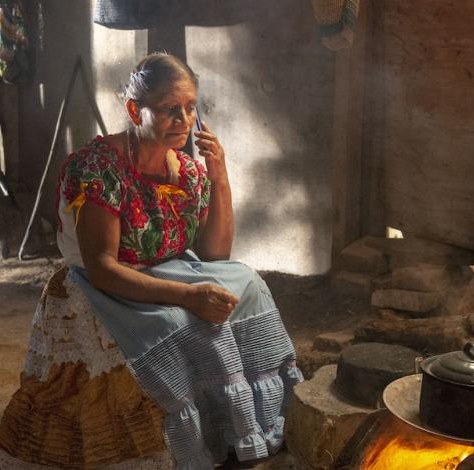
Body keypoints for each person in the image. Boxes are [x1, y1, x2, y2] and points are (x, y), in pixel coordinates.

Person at [54, 52, 302, 468]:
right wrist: (188, 296)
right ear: (135, 110)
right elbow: (102, 267)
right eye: (170, 109)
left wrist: (219, 174)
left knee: (248, 282)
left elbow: (215, 254)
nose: (184, 121)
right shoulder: (98, 168)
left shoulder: (187, 171)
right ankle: (195, 442)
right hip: (109, 278)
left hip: (168, 266)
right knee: (180, 322)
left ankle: (251, 427)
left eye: (191, 108)